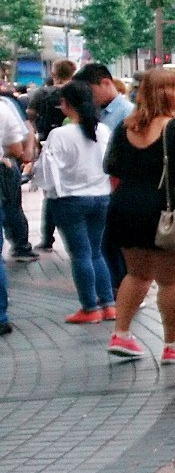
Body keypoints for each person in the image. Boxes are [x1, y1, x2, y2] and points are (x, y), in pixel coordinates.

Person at [103, 68, 175, 363]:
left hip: (125, 206)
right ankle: (173, 345)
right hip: (163, 210)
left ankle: (122, 334)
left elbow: (112, 167)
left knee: (136, 273)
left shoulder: (125, 127)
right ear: (168, 92)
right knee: (171, 280)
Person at [39, 80, 116, 324]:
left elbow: (47, 171)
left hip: (70, 199)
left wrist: (50, 191)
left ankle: (90, 307)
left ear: (67, 104)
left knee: (80, 254)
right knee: (96, 252)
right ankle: (108, 304)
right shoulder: (103, 130)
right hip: (101, 196)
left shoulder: (59, 135)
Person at [29, 60, 77, 251]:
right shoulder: (78, 92)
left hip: (47, 145)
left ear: (54, 73)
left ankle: (47, 238)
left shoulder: (42, 93)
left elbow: (31, 117)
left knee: (50, 191)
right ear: (73, 72)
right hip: (75, 145)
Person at [0, 85, 33, 262]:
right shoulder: (6, 104)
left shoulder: (7, 103)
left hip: (6, 166)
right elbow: (16, 145)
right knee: (12, 207)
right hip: (5, 165)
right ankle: (21, 246)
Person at [81, 63, 134, 128]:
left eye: (89, 90)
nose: (86, 94)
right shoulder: (91, 111)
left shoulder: (128, 113)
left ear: (105, 83)